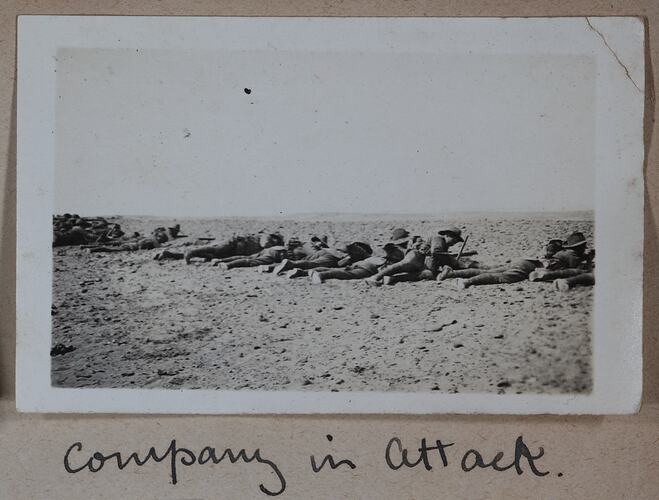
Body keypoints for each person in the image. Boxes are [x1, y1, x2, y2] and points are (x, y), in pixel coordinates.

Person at [154, 232, 284, 263]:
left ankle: (169, 254)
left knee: (209, 256)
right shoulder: (266, 236)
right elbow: (264, 244)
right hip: (235, 243)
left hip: (236, 250)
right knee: (215, 250)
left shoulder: (268, 243)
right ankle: (190, 251)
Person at [310, 242, 403, 284]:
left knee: (342, 270)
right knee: (348, 274)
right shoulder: (393, 262)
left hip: (362, 263)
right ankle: (322, 275)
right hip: (369, 268)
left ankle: (308, 271)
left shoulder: (377, 257)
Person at [529, 232, 594, 282]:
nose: (585, 247)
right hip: (554, 268)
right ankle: (542, 275)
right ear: (578, 247)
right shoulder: (571, 253)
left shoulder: (568, 252)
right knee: (579, 272)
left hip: (552, 265)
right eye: (583, 245)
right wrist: (589, 259)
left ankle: (541, 274)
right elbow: (576, 267)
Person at [213, 245, 288, 270]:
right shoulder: (291, 251)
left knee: (248, 257)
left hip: (270, 249)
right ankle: (227, 265)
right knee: (250, 261)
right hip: (274, 254)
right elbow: (284, 260)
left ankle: (220, 260)